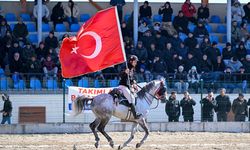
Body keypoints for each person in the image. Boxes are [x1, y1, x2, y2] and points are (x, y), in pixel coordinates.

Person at [118, 55, 141, 119]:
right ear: (131, 61)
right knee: (132, 98)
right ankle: (135, 115)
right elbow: (120, 74)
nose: (136, 63)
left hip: (128, 86)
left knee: (136, 96)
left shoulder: (132, 69)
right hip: (123, 86)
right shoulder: (126, 66)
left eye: (136, 62)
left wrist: (133, 82)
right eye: (135, 61)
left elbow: (130, 79)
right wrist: (124, 72)